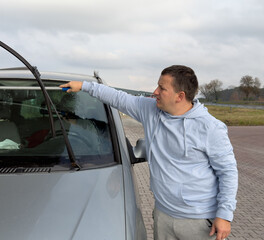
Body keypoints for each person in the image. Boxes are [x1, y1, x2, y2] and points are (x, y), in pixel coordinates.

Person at [60, 65, 238, 240]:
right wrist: (85, 86)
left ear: (180, 96)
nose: (155, 92)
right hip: (163, 215)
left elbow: (228, 172)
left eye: (162, 88)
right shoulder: (150, 110)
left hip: (199, 221)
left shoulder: (210, 128)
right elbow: (118, 98)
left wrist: (224, 215)